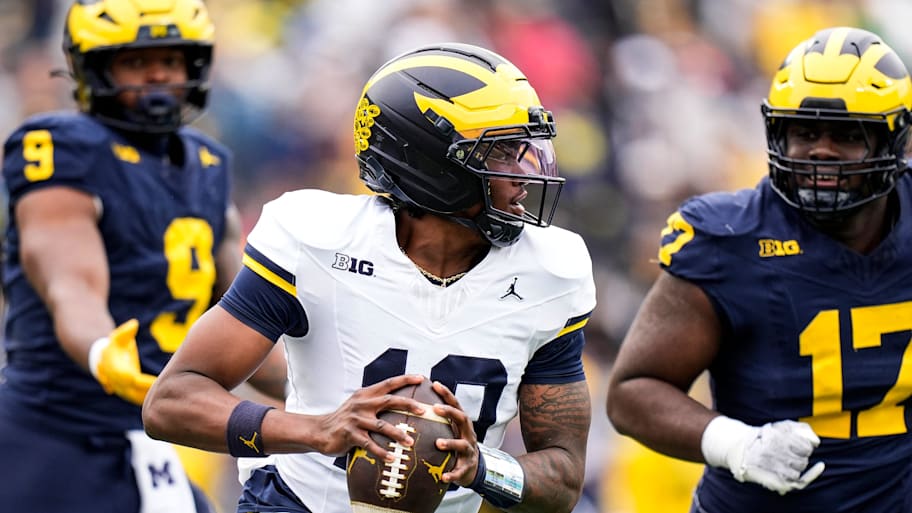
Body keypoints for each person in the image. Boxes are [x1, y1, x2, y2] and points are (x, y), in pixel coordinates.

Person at [142, 42, 597, 513]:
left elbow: (563, 479)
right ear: (429, 162)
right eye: (501, 153)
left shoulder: (552, 270)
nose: (525, 174)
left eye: (525, 150)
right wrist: (316, 431)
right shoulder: (317, 240)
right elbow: (172, 401)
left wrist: (483, 467)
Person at [606, 26, 912, 513]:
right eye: (805, 132)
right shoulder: (729, 239)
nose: (822, 151)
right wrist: (736, 444)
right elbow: (632, 392)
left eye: (848, 135)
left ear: (896, 142)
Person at [0, 1, 286, 512]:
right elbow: (71, 284)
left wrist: (334, 398)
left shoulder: (206, 162)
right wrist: (100, 351)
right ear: (95, 69)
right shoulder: (62, 147)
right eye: (137, 62)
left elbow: (243, 327)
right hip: (56, 429)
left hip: (150, 436)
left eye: (172, 61)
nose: (159, 76)